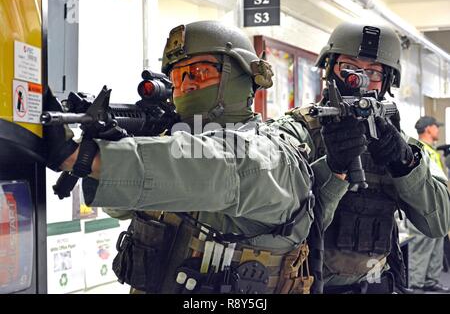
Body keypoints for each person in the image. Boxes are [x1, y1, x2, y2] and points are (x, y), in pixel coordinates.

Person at [43, 20, 367, 294]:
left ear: (242, 76)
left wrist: (82, 157)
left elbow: (215, 166)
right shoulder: (174, 144)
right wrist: (118, 145)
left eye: (198, 73)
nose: (186, 88)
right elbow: (122, 206)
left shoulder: (269, 153)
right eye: (178, 78)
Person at [290, 22, 450, 294]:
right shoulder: (298, 132)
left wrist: (405, 165)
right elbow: (283, 224)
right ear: (330, 70)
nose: (359, 79)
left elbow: (438, 223)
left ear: (387, 81)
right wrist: (332, 168)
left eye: (373, 72)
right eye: (349, 68)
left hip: (376, 285)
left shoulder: (398, 142)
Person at [408, 116, 450, 293]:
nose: (438, 130)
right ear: (427, 129)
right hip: (425, 204)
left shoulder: (431, 150)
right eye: (435, 126)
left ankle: (430, 279)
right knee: (421, 243)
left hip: (436, 204)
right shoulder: (419, 149)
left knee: (437, 241)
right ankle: (416, 283)